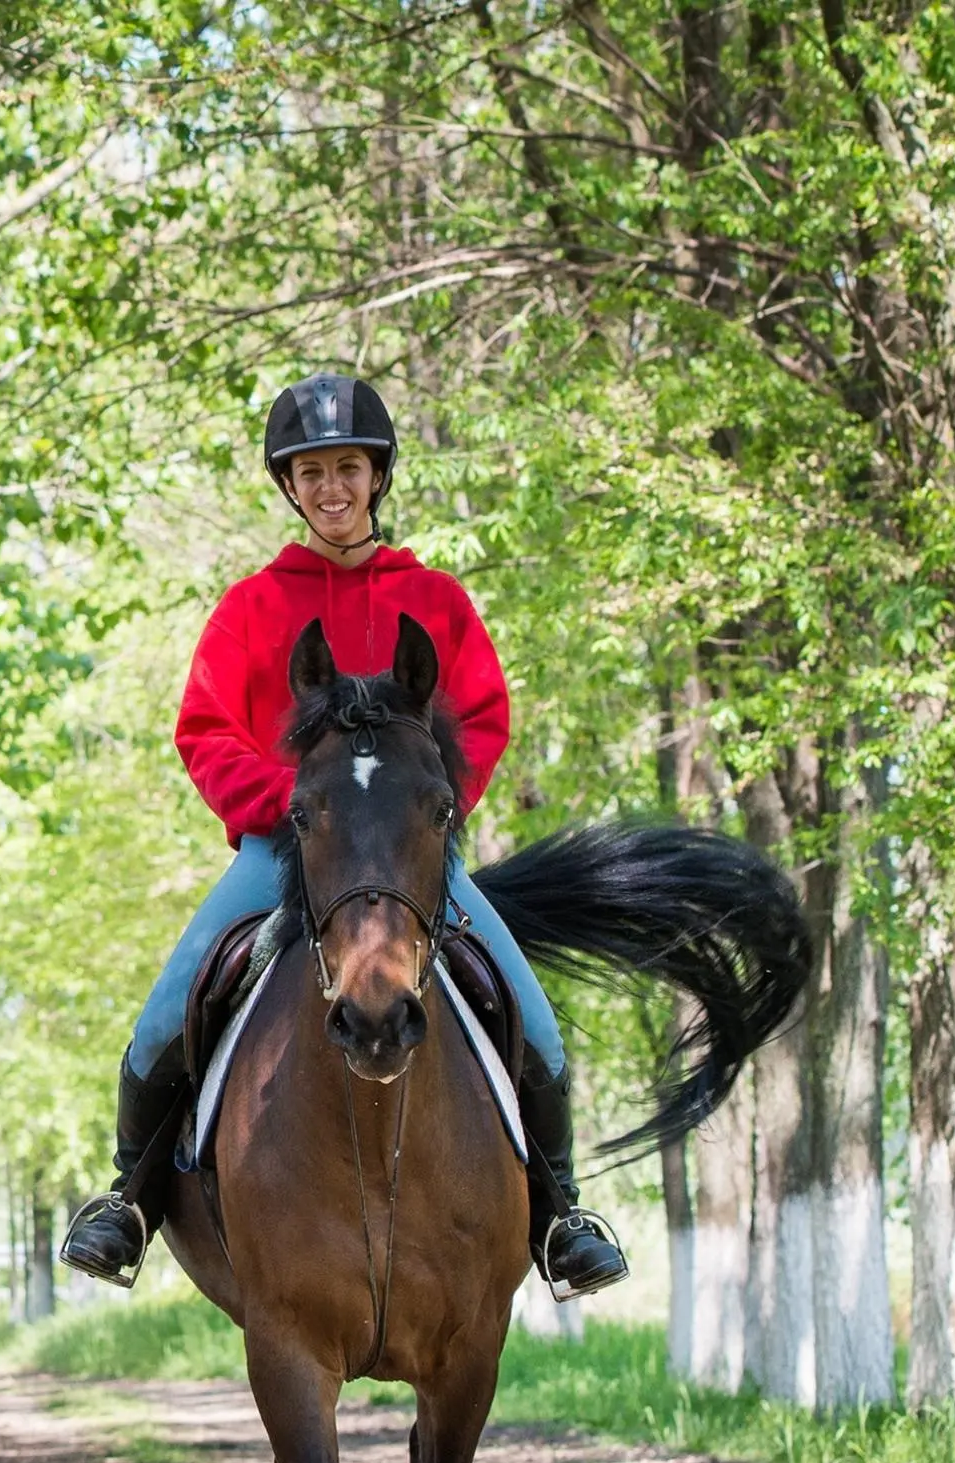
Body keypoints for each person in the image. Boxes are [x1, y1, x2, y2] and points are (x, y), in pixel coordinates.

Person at [55, 372, 625, 1298]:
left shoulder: (435, 598)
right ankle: (131, 1203)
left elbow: (479, 717)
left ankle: (560, 1216)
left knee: (537, 1023)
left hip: (410, 859)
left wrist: (420, 819)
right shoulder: (250, 607)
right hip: (283, 852)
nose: (332, 488)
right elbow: (203, 730)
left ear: (377, 476)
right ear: (290, 486)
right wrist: (292, 806)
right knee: (166, 1012)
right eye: (312, 472)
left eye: (348, 469)